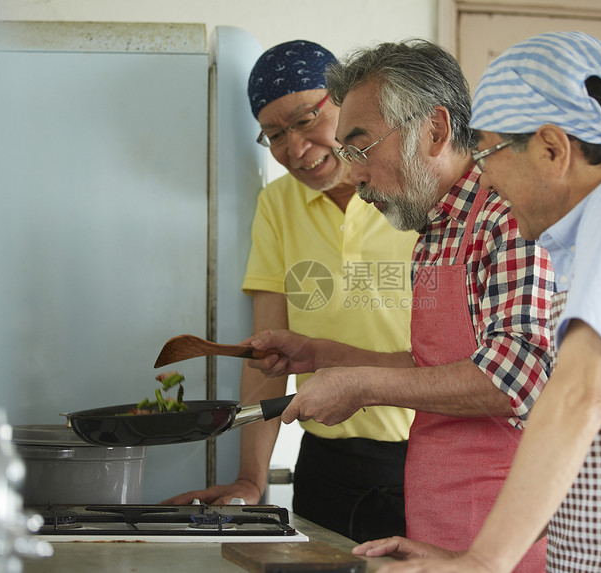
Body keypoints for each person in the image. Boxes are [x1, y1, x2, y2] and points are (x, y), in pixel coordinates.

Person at [352, 31, 601, 572]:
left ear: (551, 148)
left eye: (490, 151)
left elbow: (577, 398)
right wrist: (466, 551)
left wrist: (483, 562)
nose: (485, 174)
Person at [245, 40, 553, 570]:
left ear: (434, 130)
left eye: (361, 149)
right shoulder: (433, 229)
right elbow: (437, 369)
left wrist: (363, 386)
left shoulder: (505, 215)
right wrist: (323, 353)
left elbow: (516, 375)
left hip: (506, 542)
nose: (355, 175)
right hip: (441, 524)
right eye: (348, 154)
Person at [162, 40, 418, 544]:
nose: (294, 149)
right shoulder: (278, 204)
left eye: (304, 121)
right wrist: (251, 479)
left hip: (425, 456)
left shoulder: (411, 190)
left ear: (345, 102)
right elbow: (266, 351)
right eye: (274, 134)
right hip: (326, 465)